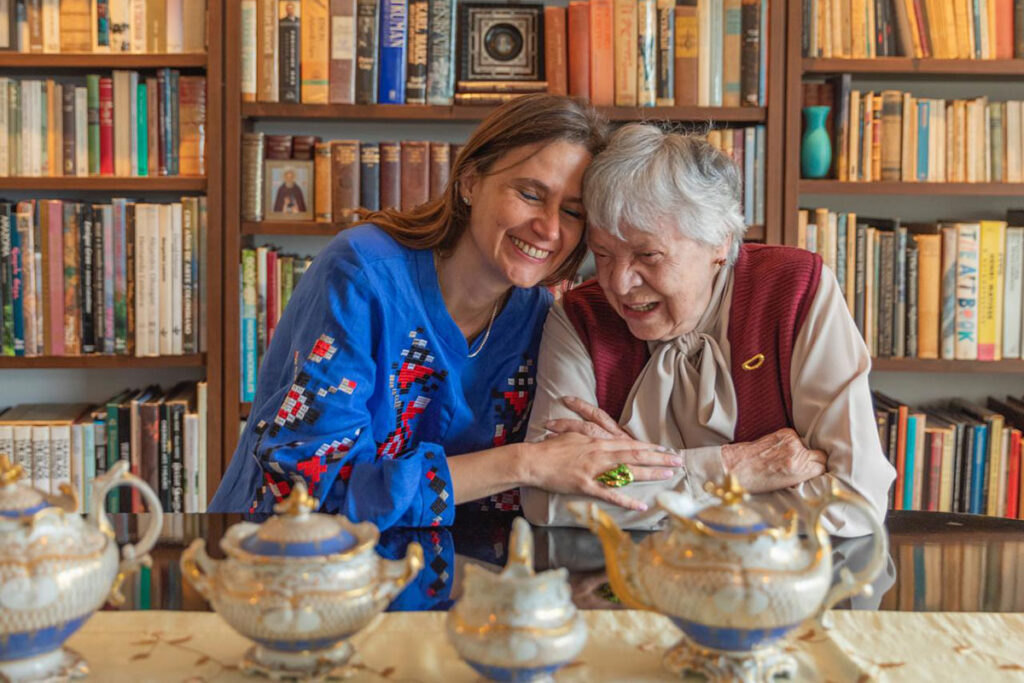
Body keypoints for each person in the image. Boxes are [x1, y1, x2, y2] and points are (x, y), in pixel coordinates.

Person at [210, 96, 680, 528]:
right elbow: (313, 490)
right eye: (531, 194)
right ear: (470, 181)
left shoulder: (540, 314)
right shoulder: (363, 271)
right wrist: (526, 463)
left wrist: (598, 454)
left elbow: (555, 475)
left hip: (448, 573)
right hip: (288, 563)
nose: (549, 228)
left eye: (573, 212)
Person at [521, 123, 896, 536]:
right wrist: (731, 469)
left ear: (719, 241)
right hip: (618, 586)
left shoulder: (793, 290)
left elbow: (853, 501)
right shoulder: (577, 319)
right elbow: (547, 500)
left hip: (769, 587)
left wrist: (632, 472)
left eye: (648, 254)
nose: (619, 282)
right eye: (603, 254)